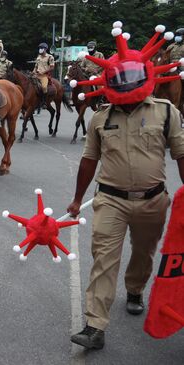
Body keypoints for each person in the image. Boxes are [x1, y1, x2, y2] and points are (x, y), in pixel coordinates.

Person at [67, 57, 184, 350]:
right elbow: (88, 161)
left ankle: (135, 289)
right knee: (103, 259)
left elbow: (181, 155)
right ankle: (95, 326)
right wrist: (77, 198)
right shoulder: (100, 118)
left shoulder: (166, 112)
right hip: (110, 200)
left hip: (153, 200)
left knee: (144, 252)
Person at [33, 43, 55, 107]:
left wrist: (43, 72)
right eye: (39, 48)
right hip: (37, 75)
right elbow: (36, 67)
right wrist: (33, 72)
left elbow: (52, 67)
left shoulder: (50, 57)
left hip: (44, 75)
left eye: (41, 48)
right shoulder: (38, 57)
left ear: (45, 49)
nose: (40, 49)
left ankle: (44, 101)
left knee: (44, 87)